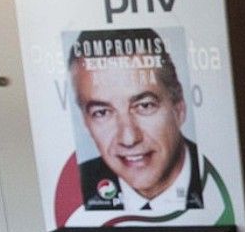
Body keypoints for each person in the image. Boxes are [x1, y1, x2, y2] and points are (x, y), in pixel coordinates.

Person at [68, 28, 204, 213]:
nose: (129, 138)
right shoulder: (75, 193)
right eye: (102, 112)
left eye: (145, 106)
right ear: (85, 122)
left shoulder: (221, 174)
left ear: (178, 107)